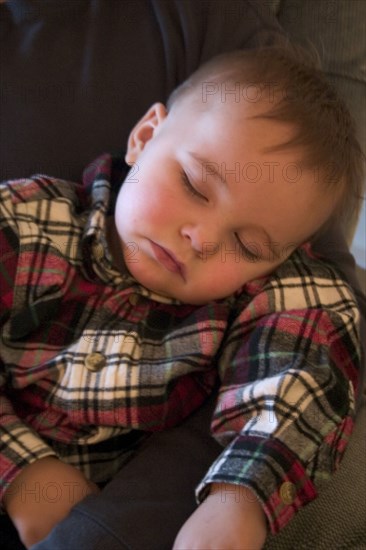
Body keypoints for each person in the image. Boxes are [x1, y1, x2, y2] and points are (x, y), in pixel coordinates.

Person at [0, 46, 363, 549]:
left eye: (248, 246)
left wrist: (239, 499)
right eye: (194, 185)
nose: (204, 238)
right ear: (145, 137)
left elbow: (306, 366)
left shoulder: (255, 295)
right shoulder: (27, 222)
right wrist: (22, 473)